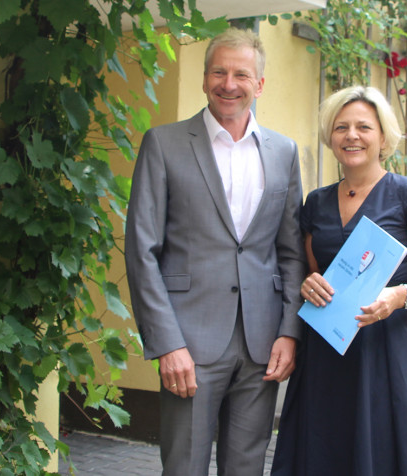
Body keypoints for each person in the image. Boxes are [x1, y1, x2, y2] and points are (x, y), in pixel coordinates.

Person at [124, 28, 305, 475]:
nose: (229, 83)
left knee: (246, 468)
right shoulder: (163, 145)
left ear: (259, 85)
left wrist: (289, 331)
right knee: (184, 466)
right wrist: (166, 343)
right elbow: (141, 251)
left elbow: (290, 252)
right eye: (219, 72)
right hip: (189, 342)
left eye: (241, 74)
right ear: (204, 80)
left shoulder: (283, 152)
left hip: (262, 344)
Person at [271, 85, 407, 475]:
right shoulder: (316, 202)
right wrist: (308, 284)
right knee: (324, 450)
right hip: (325, 353)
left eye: (363, 127)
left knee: (385, 453)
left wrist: (398, 296)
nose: (351, 135)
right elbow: (310, 271)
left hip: (385, 352)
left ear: (383, 137)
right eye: (341, 127)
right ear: (330, 137)